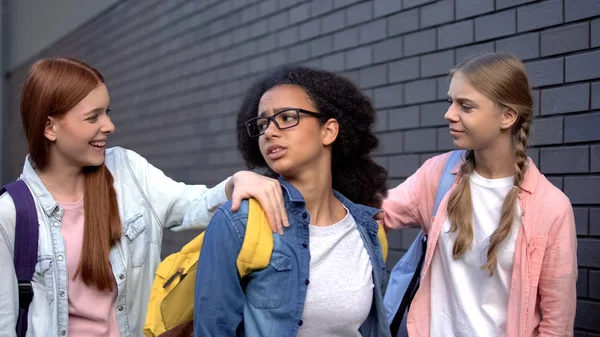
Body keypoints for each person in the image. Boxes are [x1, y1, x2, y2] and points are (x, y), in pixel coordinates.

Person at [0, 57, 288, 336]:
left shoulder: (127, 171)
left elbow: (192, 206)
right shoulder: (11, 215)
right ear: (50, 128)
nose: (109, 126)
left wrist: (236, 183)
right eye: (93, 117)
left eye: (107, 112)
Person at [382, 53, 577, 337]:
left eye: (466, 106)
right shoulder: (437, 175)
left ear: (508, 116)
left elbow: (556, 324)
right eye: (451, 101)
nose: (450, 114)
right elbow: (373, 212)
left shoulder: (552, 207)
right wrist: (294, 197)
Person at [193, 65, 391, 337]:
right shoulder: (239, 220)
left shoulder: (369, 230)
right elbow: (213, 330)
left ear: (329, 131)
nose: (269, 133)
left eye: (287, 118)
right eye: (262, 124)